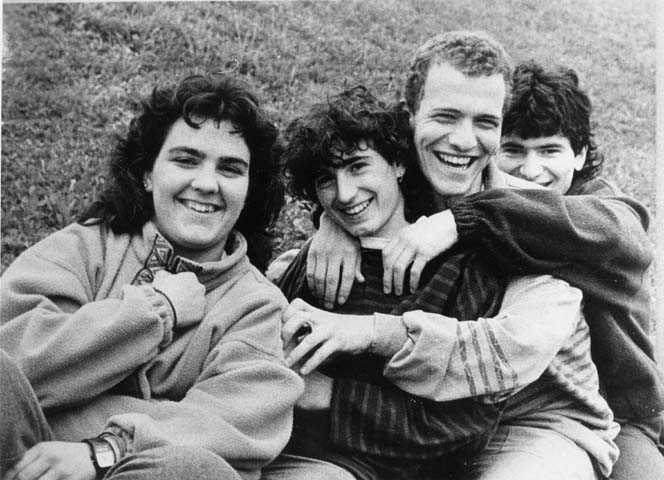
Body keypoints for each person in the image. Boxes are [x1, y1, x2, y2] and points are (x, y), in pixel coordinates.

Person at [305, 31, 663, 478]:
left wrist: (462, 220)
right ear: (409, 117)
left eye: (485, 123)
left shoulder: (533, 212)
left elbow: (625, 233)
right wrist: (333, 222)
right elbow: (345, 188)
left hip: (532, 419)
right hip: (417, 420)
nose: (463, 140)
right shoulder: (390, 190)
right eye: (446, 116)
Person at [0, 74, 303, 480]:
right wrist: (156, 311)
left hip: (138, 470)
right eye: (186, 160)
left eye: (230, 169)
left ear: (249, 190)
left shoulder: (258, 308)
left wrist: (104, 449)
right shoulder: (87, 246)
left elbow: (229, 426)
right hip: (21, 459)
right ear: (147, 174)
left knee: (193, 469)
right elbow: (15, 363)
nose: (206, 183)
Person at [494, 60, 664, 480]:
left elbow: (619, 230)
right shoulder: (493, 200)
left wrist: (464, 219)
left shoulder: (599, 209)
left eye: (549, 150)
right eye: (512, 149)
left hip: (618, 411)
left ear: (580, 153)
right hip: (528, 413)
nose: (530, 170)